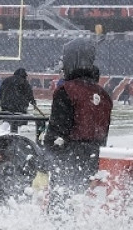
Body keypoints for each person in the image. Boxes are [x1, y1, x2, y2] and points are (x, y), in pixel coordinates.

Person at [42, 38, 113, 197]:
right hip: (95, 156)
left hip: (71, 155)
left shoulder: (67, 90)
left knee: (63, 199)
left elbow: (58, 130)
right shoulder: (104, 95)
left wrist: (48, 153)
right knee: (84, 200)